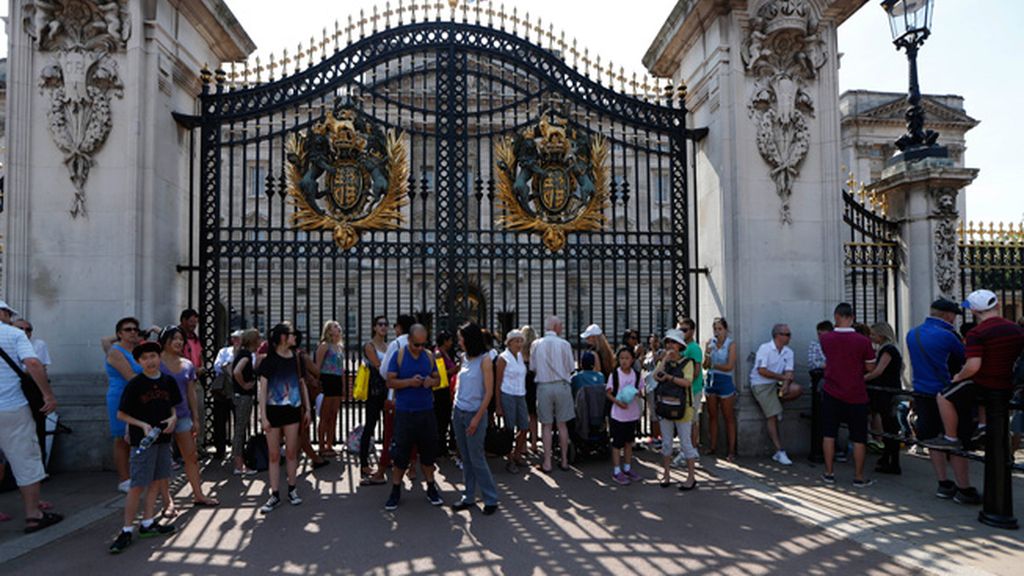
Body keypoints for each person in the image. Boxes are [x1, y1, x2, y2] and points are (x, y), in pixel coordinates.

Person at [927, 291, 1024, 456]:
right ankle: (982, 427)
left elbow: (973, 366)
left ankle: (950, 438)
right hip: (1008, 383)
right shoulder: (1015, 329)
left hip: (984, 382)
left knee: (943, 397)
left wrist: (958, 377)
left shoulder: (977, 333)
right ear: (997, 306)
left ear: (973, 311)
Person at [108, 341, 180, 553]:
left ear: (159, 358)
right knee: (137, 485)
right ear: (139, 362)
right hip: (144, 441)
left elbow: (173, 407)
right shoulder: (136, 384)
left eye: (153, 356)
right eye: (145, 358)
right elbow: (121, 414)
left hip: (164, 440)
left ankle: (148, 522)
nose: (150, 361)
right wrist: (142, 425)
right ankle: (127, 529)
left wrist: (173, 419)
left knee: (157, 481)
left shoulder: (168, 381)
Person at [0, 300, 62, 534]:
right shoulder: (13, 334)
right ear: (3, 313)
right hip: (11, 406)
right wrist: (48, 395)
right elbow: (33, 363)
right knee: (26, 459)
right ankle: (33, 514)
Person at [906, 298, 977, 502]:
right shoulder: (948, 336)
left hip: (922, 392)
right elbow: (965, 360)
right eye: (954, 315)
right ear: (947, 315)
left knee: (932, 440)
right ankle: (964, 488)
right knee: (955, 441)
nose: (955, 319)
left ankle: (943, 483)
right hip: (947, 394)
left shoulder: (913, 333)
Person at [383, 324, 444, 511]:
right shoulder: (399, 355)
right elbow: (390, 380)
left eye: (423, 344)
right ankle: (395, 489)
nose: (419, 348)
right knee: (401, 454)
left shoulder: (428, 356)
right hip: (405, 412)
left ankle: (431, 487)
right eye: (416, 344)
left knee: (428, 453)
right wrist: (410, 382)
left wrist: (430, 382)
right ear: (409, 340)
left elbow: (438, 379)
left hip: (426, 411)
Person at [159, 326, 219, 509]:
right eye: (174, 338)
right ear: (164, 341)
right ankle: (167, 500)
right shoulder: (155, 361)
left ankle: (198, 494)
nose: (179, 342)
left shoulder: (187, 364)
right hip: (161, 417)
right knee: (163, 460)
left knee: (191, 457)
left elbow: (191, 393)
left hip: (183, 415)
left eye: (180, 339)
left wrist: (196, 418)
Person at [818, 303, 876, 487]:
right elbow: (870, 366)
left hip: (831, 390)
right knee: (859, 437)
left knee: (829, 434)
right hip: (856, 392)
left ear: (836, 316)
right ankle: (858, 476)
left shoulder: (826, 339)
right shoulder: (863, 341)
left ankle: (829, 473)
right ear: (852, 317)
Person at [257, 323, 312, 513]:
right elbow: (263, 390)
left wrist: (308, 409)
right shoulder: (269, 361)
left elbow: (302, 383)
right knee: (273, 455)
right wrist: (262, 416)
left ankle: (292, 488)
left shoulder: (297, 358)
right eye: (291, 334)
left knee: (291, 452)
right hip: (273, 411)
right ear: (282, 337)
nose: (295, 337)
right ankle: (274, 493)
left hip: (292, 410)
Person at [451, 323, 500, 515]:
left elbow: (488, 392)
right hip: (459, 410)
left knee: (477, 457)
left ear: (469, 339)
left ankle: (490, 498)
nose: (459, 341)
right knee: (465, 457)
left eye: (461, 338)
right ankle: (468, 495)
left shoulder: (485, 360)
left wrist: (477, 418)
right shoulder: (464, 358)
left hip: (474, 413)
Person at [749, 324, 801, 466]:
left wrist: (785, 384)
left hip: (776, 383)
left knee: (797, 389)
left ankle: (776, 403)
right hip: (761, 384)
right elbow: (762, 371)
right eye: (787, 334)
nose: (789, 337)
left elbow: (789, 372)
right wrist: (783, 378)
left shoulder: (789, 352)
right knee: (772, 416)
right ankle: (779, 450)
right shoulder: (765, 349)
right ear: (778, 335)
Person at [530, 315, 576, 473]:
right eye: (561, 325)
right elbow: (571, 367)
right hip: (562, 385)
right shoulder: (564, 344)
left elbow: (533, 367)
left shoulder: (536, 344)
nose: (562, 328)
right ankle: (564, 460)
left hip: (544, 386)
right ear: (556, 327)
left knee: (546, 426)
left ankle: (547, 462)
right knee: (562, 425)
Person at [654, 329, 698, 490]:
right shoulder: (664, 362)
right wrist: (664, 361)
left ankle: (691, 477)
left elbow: (688, 382)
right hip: (665, 405)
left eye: (673, 342)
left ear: (680, 345)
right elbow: (655, 376)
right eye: (668, 342)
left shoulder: (688, 362)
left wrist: (670, 378)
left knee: (685, 443)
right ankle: (666, 474)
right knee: (666, 443)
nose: (670, 346)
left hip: (683, 407)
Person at [105, 317, 144, 492]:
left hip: (138, 397)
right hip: (121, 397)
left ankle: (136, 474)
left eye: (135, 329)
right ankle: (124, 478)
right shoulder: (115, 351)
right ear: (119, 334)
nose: (133, 332)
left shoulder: (138, 350)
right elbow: (130, 376)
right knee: (121, 438)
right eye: (128, 330)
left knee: (135, 437)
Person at [864, 322, 903, 474]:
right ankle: (888, 458)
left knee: (890, 427)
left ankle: (892, 461)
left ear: (881, 334)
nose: (871, 337)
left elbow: (878, 371)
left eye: (873, 334)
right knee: (889, 426)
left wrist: (863, 379)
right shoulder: (888, 349)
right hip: (888, 391)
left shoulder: (887, 350)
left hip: (888, 393)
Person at [606, 346, 644, 485]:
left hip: (632, 414)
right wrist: (618, 402)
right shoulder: (614, 375)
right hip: (618, 415)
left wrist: (638, 393)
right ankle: (617, 471)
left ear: (632, 360)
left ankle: (627, 468)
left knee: (629, 443)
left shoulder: (637, 375)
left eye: (627, 358)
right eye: (621, 358)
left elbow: (641, 390)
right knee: (617, 444)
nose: (624, 361)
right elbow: (608, 393)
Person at [360, 316, 391, 485]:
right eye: (380, 324)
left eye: (386, 324)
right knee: (370, 426)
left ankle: (386, 458)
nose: (383, 327)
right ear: (374, 327)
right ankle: (364, 464)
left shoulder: (388, 346)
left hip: (387, 390)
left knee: (388, 426)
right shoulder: (369, 346)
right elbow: (379, 367)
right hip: (374, 390)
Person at [495, 329, 528, 473]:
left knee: (524, 426)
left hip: (520, 394)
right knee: (509, 429)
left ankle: (517, 454)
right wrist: (498, 405)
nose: (519, 344)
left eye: (521, 341)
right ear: (509, 343)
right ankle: (509, 460)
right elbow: (498, 382)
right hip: (507, 394)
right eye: (516, 341)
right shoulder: (503, 358)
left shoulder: (520, 356)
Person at [703, 318, 737, 461]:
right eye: (715, 329)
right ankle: (712, 446)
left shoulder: (731, 344)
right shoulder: (710, 343)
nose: (717, 332)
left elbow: (730, 366)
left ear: (725, 329)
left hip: (725, 380)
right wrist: (707, 354)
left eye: (720, 329)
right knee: (712, 415)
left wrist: (714, 366)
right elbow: (705, 366)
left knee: (728, 416)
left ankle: (731, 450)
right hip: (712, 380)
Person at [230, 329, 260, 476]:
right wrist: (244, 385)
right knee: (240, 430)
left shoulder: (241, 353)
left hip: (239, 395)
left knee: (240, 429)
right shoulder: (246, 355)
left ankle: (238, 461)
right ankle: (239, 465)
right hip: (243, 396)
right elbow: (236, 371)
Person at [210, 330, 243, 460]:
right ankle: (220, 449)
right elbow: (217, 366)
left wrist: (231, 366)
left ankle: (239, 450)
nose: (236, 341)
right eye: (234, 338)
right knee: (220, 421)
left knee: (239, 422)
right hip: (223, 391)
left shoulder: (246, 352)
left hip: (238, 389)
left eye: (238, 338)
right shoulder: (224, 351)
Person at [315, 320, 345, 456]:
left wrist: (343, 386)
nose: (338, 328)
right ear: (328, 331)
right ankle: (321, 446)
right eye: (335, 326)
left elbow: (341, 369)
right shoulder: (324, 346)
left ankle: (329, 444)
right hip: (327, 380)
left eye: (338, 326)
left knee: (334, 415)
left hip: (337, 380)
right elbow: (317, 366)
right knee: (325, 415)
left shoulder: (339, 347)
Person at [178, 309, 206, 449]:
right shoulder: (178, 338)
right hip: (180, 380)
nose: (193, 325)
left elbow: (199, 355)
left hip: (195, 379)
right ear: (182, 320)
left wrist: (200, 367)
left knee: (199, 412)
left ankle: (198, 446)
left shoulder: (195, 338)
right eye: (191, 322)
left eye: (195, 323)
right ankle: (181, 448)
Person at [678, 318, 704, 457]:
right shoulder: (682, 347)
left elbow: (696, 370)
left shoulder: (694, 348)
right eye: (680, 329)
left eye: (685, 329)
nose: (682, 332)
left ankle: (692, 449)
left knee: (692, 420)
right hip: (685, 389)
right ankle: (687, 449)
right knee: (686, 420)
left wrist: (685, 381)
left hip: (693, 389)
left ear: (692, 331)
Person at [434, 331, 457, 458]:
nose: (451, 343)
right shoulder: (438, 354)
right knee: (441, 419)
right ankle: (440, 447)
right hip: (440, 391)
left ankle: (443, 445)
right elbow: (442, 373)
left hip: (447, 389)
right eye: (450, 340)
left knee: (445, 418)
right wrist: (455, 369)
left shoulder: (445, 353)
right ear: (445, 341)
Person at [520, 325, 540, 454]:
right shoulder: (536, 349)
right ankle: (533, 443)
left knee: (522, 415)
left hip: (522, 381)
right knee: (533, 414)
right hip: (533, 380)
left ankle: (522, 446)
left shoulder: (519, 349)